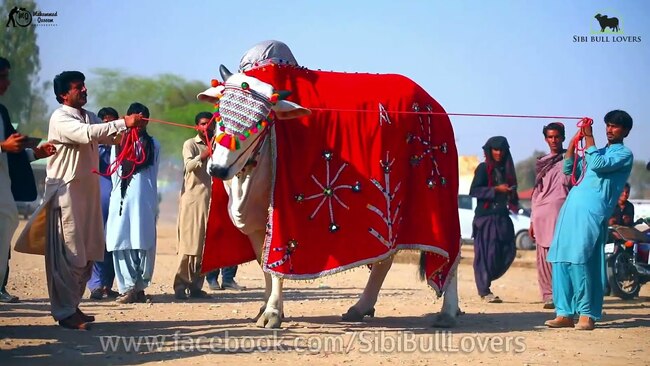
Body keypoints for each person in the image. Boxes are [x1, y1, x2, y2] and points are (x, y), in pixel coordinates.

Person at [15, 70, 144, 329]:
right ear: (64, 94)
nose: (84, 90)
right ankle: (64, 313)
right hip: (66, 193)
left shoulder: (88, 115)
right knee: (68, 254)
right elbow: (87, 134)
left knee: (88, 251)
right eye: (78, 87)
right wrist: (122, 123)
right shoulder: (61, 118)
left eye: (84, 86)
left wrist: (130, 129)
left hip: (88, 193)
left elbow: (106, 135)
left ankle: (73, 306)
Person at [545, 110, 634, 331]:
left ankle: (587, 313)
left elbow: (598, 165)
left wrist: (590, 138)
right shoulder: (597, 151)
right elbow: (568, 169)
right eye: (608, 125)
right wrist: (575, 143)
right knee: (561, 260)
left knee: (581, 260)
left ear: (626, 131)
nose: (610, 129)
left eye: (615, 126)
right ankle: (564, 312)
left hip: (592, 212)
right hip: (571, 209)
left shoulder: (623, 154)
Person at [0, 57, 56, 303]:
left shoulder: (1, 112)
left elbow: (10, 154)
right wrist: (3, 145)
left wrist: (34, 153)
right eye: (3, 76)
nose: (7, 82)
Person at [106, 102, 160, 304]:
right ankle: (127, 287)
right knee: (121, 241)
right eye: (135, 117)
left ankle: (140, 287)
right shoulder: (117, 143)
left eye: (142, 118)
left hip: (144, 199)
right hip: (121, 200)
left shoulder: (153, 145)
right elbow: (115, 174)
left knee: (143, 242)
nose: (139, 122)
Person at [469, 136, 519, 303]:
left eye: (501, 150)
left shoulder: (507, 170)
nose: (498, 153)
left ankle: (486, 280)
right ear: (490, 151)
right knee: (484, 255)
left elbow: (513, 193)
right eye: (495, 150)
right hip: (486, 217)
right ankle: (484, 290)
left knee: (508, 250)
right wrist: (496, 189)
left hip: (502, 216)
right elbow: (474, 191)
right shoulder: (483, 168)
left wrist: (510, 193)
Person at [529, 122, 572, 309]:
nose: (554, 140)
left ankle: (565, 296)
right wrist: (531, 219)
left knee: (563, 255)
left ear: (563, 137)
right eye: (550, 137)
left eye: (557, 137)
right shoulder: (542, 162)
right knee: (544, 257)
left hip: (563, 213)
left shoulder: (572, 160)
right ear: (546, 139)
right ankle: (548, 296)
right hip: (541, 213)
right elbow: (537, 192)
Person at [173, 111, 214, 299]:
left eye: (210, 124)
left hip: (212, 201)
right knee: (189, 243)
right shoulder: (190, 144)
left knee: (205, 246)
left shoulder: (220, 144)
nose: (207, 127)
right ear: (197, 126)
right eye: (203, 124)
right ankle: (180, 285)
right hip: (193, 199)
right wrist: (205, 154)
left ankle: (197, 285)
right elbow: (189, 166)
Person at [86, 107, 121, 300]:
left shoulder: (122, 146)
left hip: (116, 200)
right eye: (105, 123)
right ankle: (95, 285)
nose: (109, 127)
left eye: (113, 122)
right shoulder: (92, 146)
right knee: (95, 241)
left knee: (112, 243)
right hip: (97, 199)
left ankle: (108, 284)